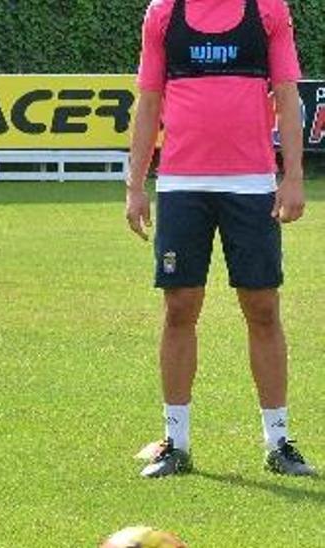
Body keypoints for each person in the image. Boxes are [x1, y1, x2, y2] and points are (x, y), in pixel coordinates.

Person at [125, 0, 313, 478]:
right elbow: (148, 101)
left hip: (251, 184)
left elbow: (288, 95)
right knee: (180, 307)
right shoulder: (163, 13)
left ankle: (278, 442)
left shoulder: (269, 11)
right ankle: (176, 442)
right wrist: (135, 186)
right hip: (182, 185)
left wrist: (293, 176)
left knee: (263, 308)